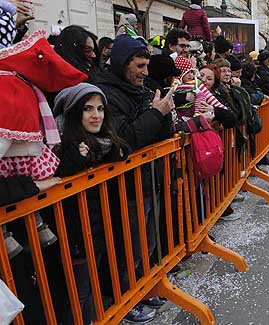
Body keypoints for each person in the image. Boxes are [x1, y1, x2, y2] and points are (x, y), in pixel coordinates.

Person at [95, 34, 175, 323]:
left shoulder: (141, 89)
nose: (145, 72)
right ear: (121, 63)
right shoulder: (105, 93)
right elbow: (124, 139)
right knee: (127, 247)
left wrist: (164, 113)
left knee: (147, 243)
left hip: (149, 180)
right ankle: (126, 298)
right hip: (126, 188)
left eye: (146, 66)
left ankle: (145, 287)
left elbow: (160, 134)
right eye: (140, 66)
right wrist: (156, 112)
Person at [53, 83, 128, 325]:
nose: (96, 115)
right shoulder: (62, 146)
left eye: (100, 109)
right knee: (79, 293)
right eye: (87, 109)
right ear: (74, 112)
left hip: (94, 229)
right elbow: (58, 176)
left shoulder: (101, 142)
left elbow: (123, 149)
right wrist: (76, 159)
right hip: (73, 234)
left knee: (90, 287)